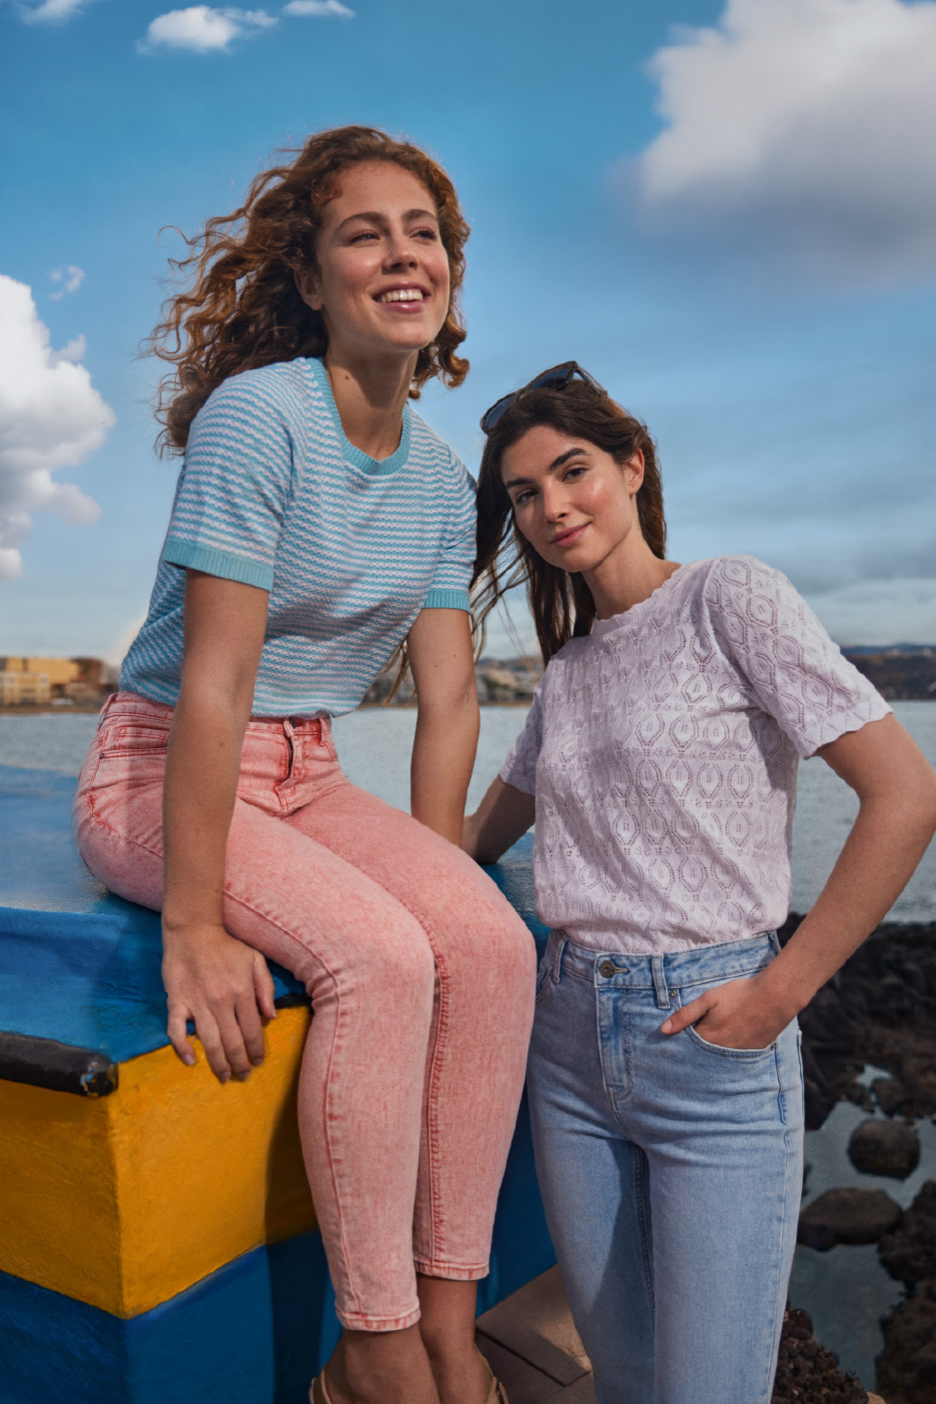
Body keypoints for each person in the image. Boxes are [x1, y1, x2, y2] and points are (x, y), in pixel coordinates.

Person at [72, 126, 536, 1404]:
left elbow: (449, 700)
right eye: (365, 232)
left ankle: (451, 1316)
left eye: (425, 231)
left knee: (488, 944)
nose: (405, 253)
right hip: (161, 765)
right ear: (314, 278)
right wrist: (191, 923)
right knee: (377, 961)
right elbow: (213, 683)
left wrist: (444, 880)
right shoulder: (259, 416)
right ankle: (373, 1352)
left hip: (313, 773)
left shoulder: (445, 479)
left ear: (447, 274)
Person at [463, 363, 936, 1404]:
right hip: (569, 1045)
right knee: (626, 1378)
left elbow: (905, 795)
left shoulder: (731, 598)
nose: (551, 508)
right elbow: (476, 838)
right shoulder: (570, 669)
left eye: (571, 471)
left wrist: (781, 990)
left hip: (712, 1042)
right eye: (524, 496)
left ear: (632, 465)